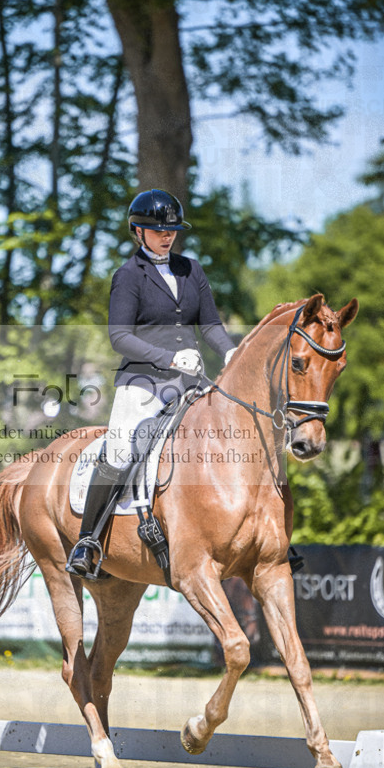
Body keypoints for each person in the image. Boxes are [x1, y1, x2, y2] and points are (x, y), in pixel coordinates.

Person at [67, 188, 237, 578]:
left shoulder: (191, 269)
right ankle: (88, 539)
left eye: (173, 230)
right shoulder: (128, 276)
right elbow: (119, 337)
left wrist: (230, 353)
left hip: (189, 381)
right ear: (137, 231)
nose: (168, 236)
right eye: (158, 230)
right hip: (142, 383)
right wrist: (169, 357)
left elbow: (209, 325)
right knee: (121, 449)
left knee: (232, 437)